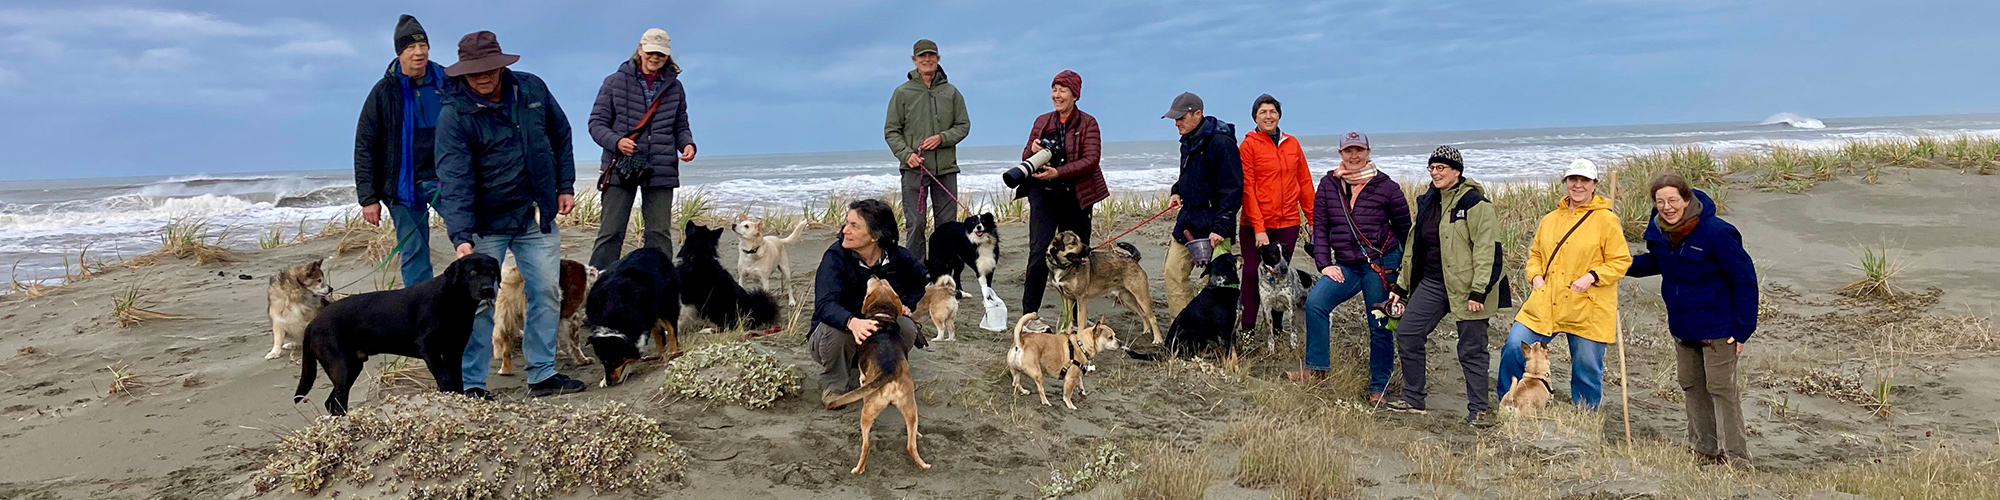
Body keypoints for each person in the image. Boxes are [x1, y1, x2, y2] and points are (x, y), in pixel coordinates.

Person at [434, 31, 585, 398]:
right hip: (486, 224)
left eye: (489, 69)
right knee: (481, 304)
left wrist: (565, 185)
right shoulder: (454, 116)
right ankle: (471, 385)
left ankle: (542, 375)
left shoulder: (532, 90)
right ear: (463, 73)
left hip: (536, 214)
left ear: (501, 64)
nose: (483, 77)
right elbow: (453, 178)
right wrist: (461, 235)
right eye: (474, 72)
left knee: (548, 292)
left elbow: (561, 134)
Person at [1628, 172, 1758, 465]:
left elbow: (1744, 280)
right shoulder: (1662, 232)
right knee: (1692, 387)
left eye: (1673, 200)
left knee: (1722, 391)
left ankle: (1737, 459)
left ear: (1687, 199)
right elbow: (1655, 263)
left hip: (1719, 329)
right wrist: (1618, 264)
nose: (1667, 207)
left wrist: (1743, 330)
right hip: (1684, 328)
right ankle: (1704, 451)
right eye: (1660, 201)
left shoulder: (1716, 232)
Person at [1383, 146, 1509, 425]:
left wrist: (1479, 290)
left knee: (1471, 349)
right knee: (1408, 333)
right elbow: (1414, 249)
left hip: (1469, 288)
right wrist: (1402, 287)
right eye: (1432, 168)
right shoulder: (1429, 201)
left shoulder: (1475, 203)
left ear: (1457, 171)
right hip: (1432, 282)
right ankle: (1414, 399)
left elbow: (1489, 250)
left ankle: (1479, 410)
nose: (1435, 173)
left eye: (1441, 168)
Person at [1286, 131, 1410, 404]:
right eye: (1348, 151)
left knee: (1379, 323)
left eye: (1359, 151)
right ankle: (1316, 370)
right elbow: (1320, 226)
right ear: (1340, 153)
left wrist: (1401, 271)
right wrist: (1324, 264)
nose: (1354, 156)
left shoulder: (1387, 186)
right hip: (1346, 266)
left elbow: (1405, 232)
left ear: (1368, 152)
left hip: (1380, 266)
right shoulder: (1329, 184)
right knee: (1316, 303)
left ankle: (1380, 385)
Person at [1497, 159, 1631, 410]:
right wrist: (1535, 277)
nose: (1578, 185)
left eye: (1584, 180)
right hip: (1546, 301)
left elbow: (1620, 260)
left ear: (1594, 185)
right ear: (1566, 183)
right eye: (1573, 180)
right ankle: (1509, 405)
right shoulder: (1550, 219)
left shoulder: (1606, 220)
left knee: (1587, 366)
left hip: (1588, 305)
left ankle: (1585, 417)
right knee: (1514, 347)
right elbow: (1535, 255)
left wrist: (1592, 276)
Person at [585, 28, 695, 270]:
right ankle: (597, 286)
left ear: (667, 56)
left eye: (661, 54)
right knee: (611, 232)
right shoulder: (614, 82)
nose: (655, 58)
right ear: (640, 49)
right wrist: (617, 142)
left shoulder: (675, 88)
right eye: (651, 52)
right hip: (621, 167)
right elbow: (596, 124)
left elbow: (681, 125)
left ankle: (661, 288)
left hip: (661, 167)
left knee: (659, 234)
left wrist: (687, 143)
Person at [353, 14, 450, 288]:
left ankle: (479, 306)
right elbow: (365, 145)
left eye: (423, 46)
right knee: (414, 253)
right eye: (410, 47)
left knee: (471, 240)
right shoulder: (384, 91)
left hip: (448, 181)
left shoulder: (449, 82)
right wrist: (368, 198)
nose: (418, 53)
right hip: (402, 187)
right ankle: (421, 312)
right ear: (399, 52)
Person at [810, 199, 928, 407]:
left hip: (879, 330)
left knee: (907, 327)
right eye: (846, 223)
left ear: (875, 236)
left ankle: (884, 374)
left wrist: (907, 304)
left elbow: (919, 281)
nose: (845, 230)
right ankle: (834, 384)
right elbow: (824, 304)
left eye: (854, 226)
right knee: (837, 330)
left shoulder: (898, 257)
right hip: (832, 335)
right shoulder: (835, 258)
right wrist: (852, 321)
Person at [1016, 70, 1107, 333]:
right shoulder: (1043, 121)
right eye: (1054, 90)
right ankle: (1030, 316)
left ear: (1075, 94)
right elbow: (1025, 155)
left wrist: (1059, 172)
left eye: (1062, 90)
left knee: (1079, 256)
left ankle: (1079, 318)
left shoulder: (1088, 123)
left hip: (1077, 195)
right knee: (1039, 253)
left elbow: (1091, 160)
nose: (1057, 95)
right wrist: (1033, 150)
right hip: (1043, 193)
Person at [883, 39, 970, 263]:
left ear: (938, 59)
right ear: (914, 61)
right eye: (922, 56)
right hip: (915, 170)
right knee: (916, 224)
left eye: (931, 55)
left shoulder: (951, 92)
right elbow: (892, 131)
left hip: (946, 170)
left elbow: (963, 126)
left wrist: (942, 138)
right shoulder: (902, 93)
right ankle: (916, 273)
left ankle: (944, 272)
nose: (927, 59)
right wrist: (906, 155)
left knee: (948, 227)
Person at [1234, 94, 1316, 334]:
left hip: (1288, 221)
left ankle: (1277, 329)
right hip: (1255, 223)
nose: (1268, 116)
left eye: (1272, 111)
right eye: (1263, 112)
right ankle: (1247, 329)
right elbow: (1247, 189)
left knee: (1281, 274)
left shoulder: (1292, 143)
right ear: (1255, 117)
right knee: (1251, 273)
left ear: (1279, 115)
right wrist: (1259, 228)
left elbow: (1305, 182)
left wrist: (1311, 219)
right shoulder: (1248, 145)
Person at [1161, 92, 1243, 319]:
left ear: (1197, 114)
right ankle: (1186, 329)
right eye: (1175, 119)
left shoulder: (1222, 143)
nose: (1176, 123)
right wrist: (1177, 191)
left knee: (1216, 283)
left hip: (1216, 225)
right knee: (1173, 274)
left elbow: (1233, 188)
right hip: (1188, 220)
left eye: (1180, 118)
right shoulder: (1186, 141)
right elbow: (1187, 176)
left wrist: (1221, 226)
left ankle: (1215, 335)